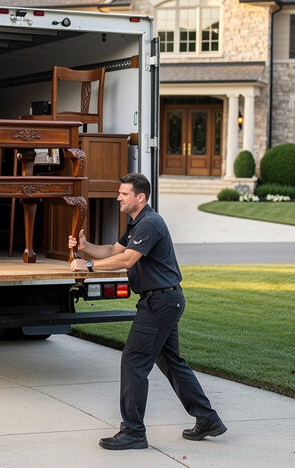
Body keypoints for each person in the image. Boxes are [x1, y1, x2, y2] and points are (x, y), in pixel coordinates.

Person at [68, 172, 226, 450]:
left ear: (140, 197)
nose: (118, 197)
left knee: (133, 362)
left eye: (123, 194)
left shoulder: (150, 223)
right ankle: (208, 419)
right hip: (165, 300)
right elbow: (113, 249)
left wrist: (88, 267)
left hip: (160, 303)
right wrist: (86, 249)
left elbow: (127, 259)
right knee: (170, 362)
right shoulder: (136, 222)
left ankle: (133, 432)